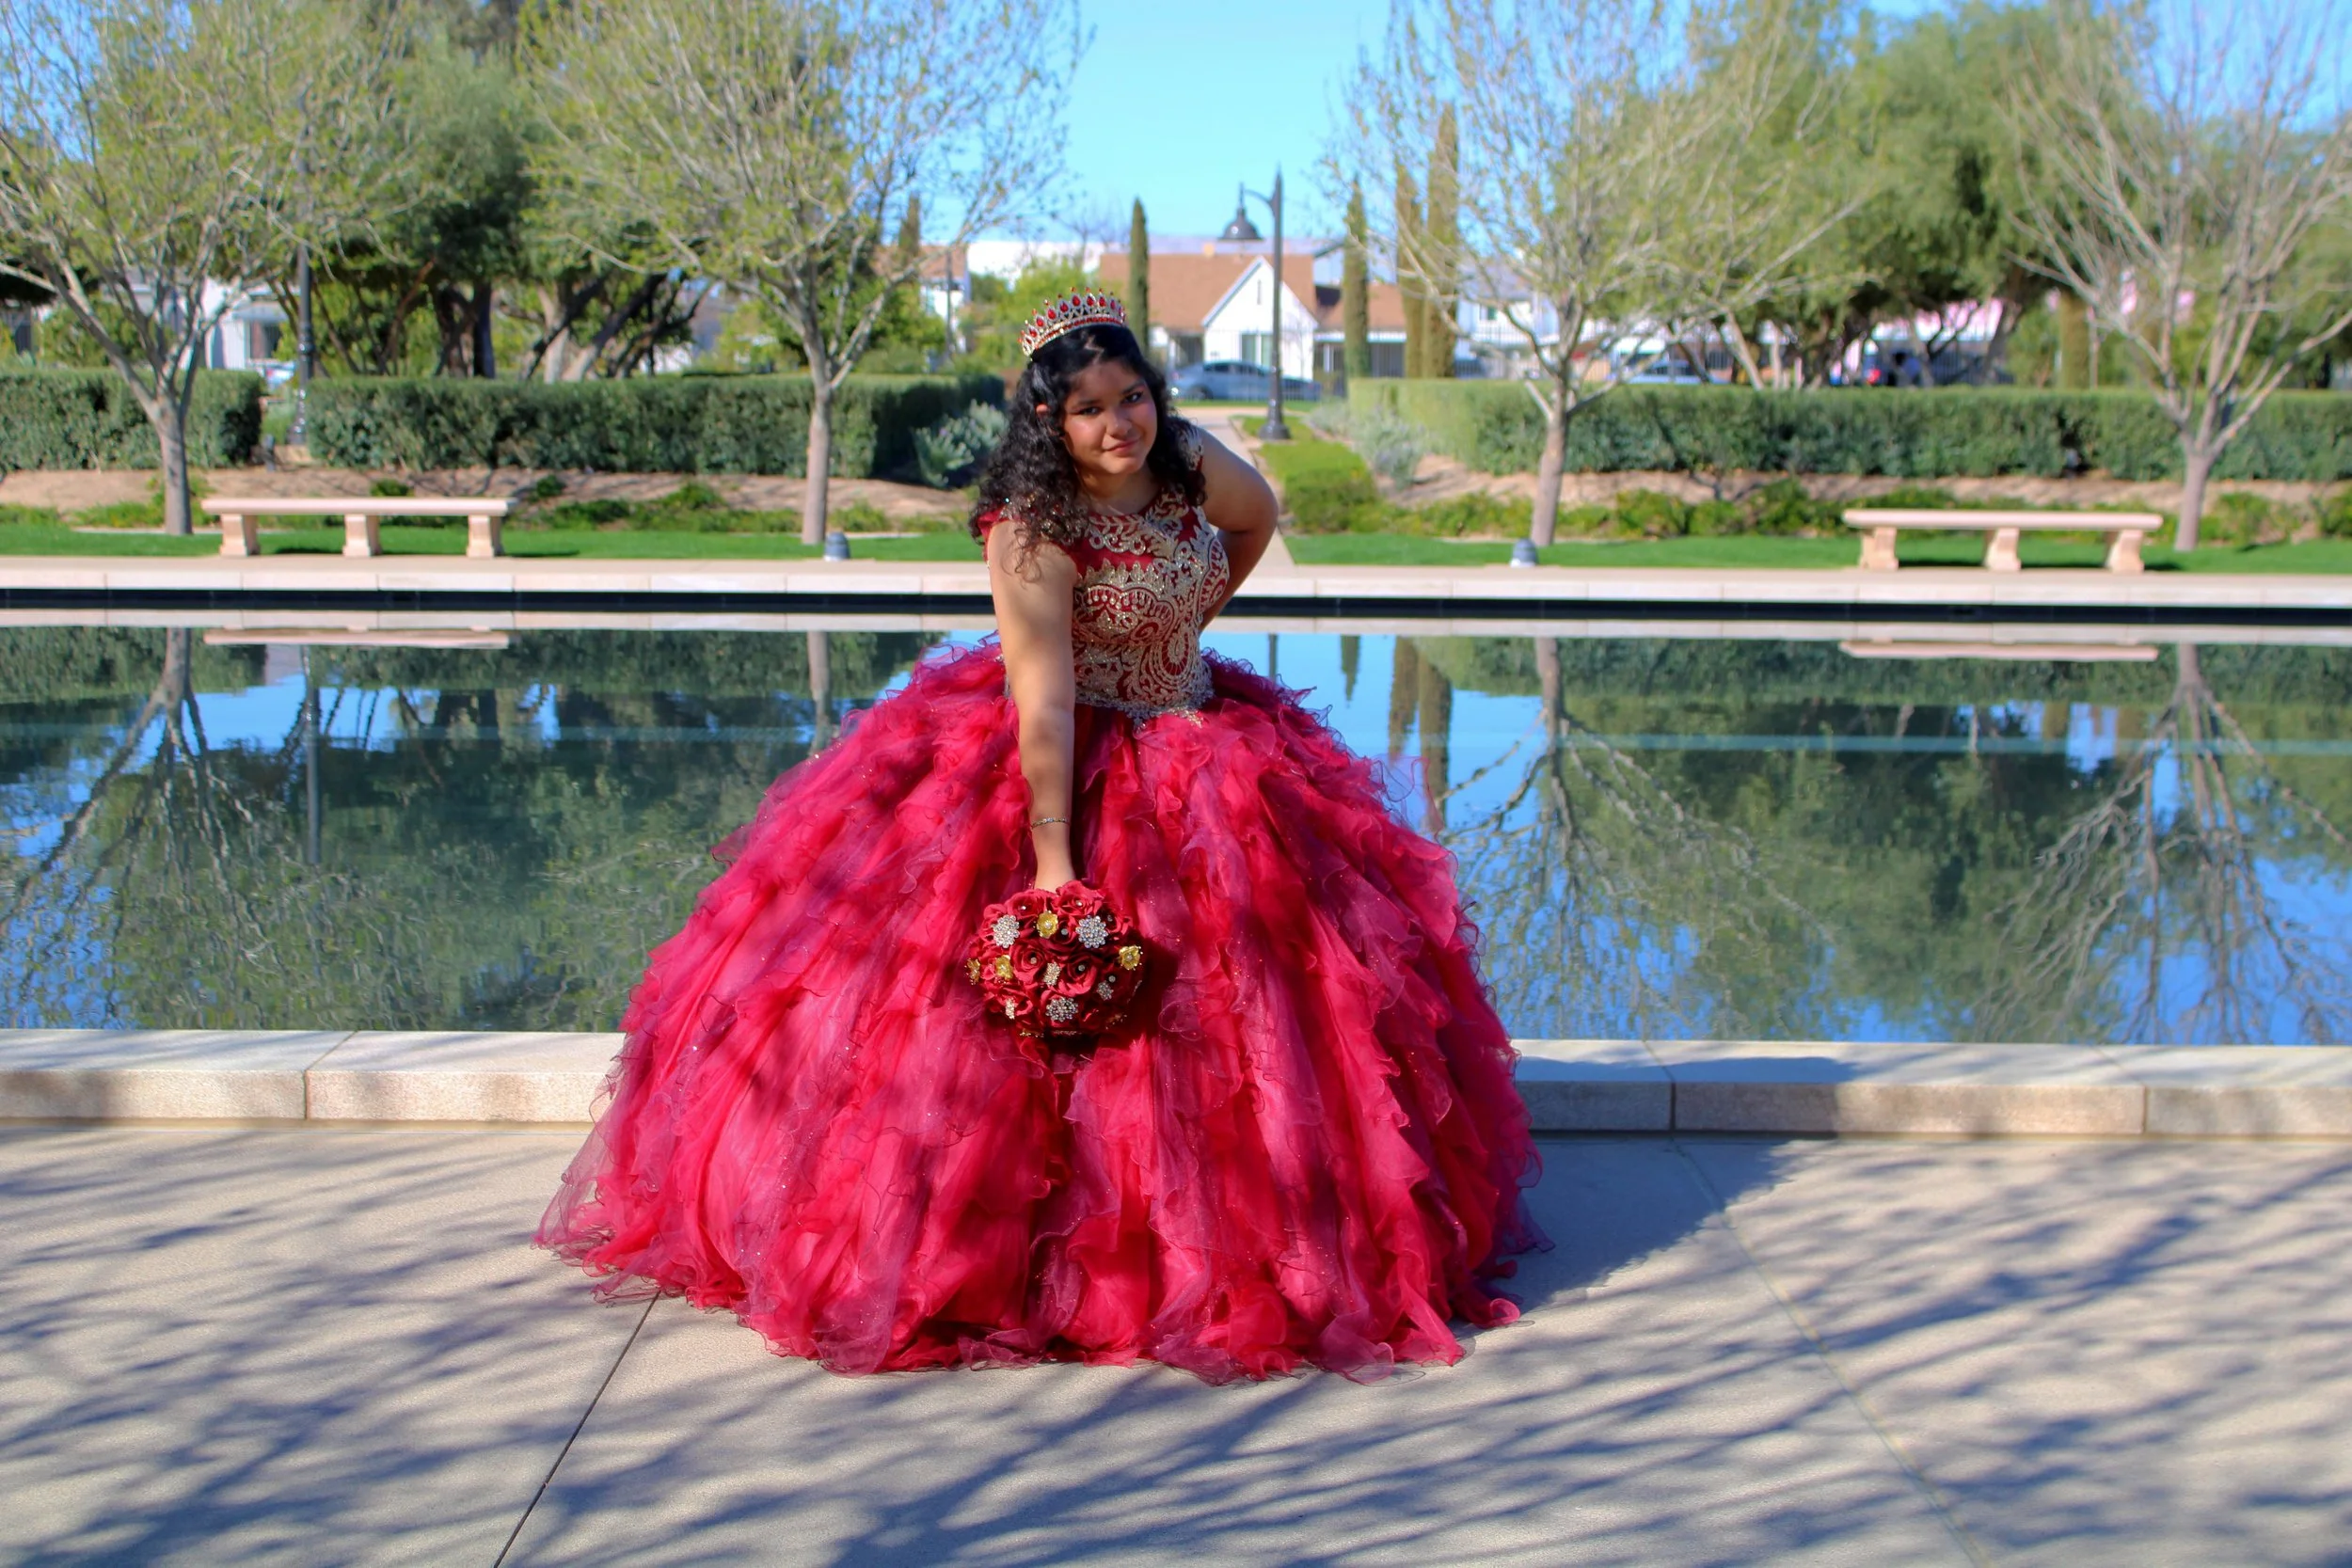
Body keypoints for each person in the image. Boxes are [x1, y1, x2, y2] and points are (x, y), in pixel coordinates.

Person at [538, 292, 1542, 1384]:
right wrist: (1056, 862)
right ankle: (1033, 1256)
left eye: (1133, 396)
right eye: (1089, 408)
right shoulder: (1030, 530)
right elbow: (1048, 703)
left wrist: (1181, 622)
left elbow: (1255, 518)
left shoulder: (1186, 460)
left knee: (1281, 994)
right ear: (1045, 418)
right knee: (1003, 1037)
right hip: (1059, 756)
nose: (1119, 424)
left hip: (1201, 730)